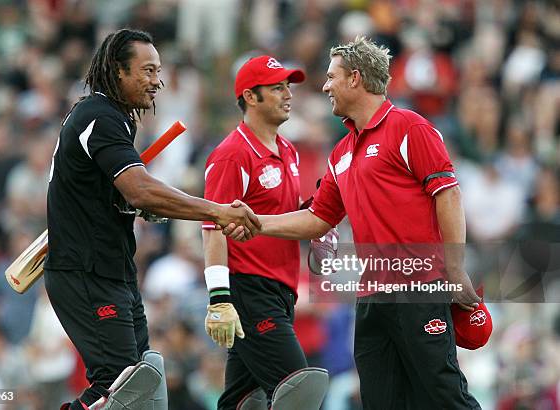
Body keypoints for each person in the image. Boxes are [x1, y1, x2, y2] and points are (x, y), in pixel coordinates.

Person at [227, 36, 483, 409]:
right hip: (371, 299)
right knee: (379, 401)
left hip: (420, 287)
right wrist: (256, 222)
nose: (325, 85)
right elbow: (317, 219)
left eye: (332, 77)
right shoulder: (342, 152)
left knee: (442, 395)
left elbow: (449, 194)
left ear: (355, 78)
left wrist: (455, 270)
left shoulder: (409, 127)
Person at [43, 29, 260, 410]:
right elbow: (140, 189)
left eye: (158, 71)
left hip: (112, 271)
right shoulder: (100, 116)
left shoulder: (114, 118)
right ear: (117, 70)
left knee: (145, 375)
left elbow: (123, 196)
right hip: (85, 272)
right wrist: (216, 209)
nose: (156, 81)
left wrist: (136, 205)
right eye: (147, 71)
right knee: (118, 385)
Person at [201, 56, 328, 410]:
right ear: (250, 97)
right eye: (276, 88)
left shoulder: (287, 150)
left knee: (242, 403)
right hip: (250, 290)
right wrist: (219, 298)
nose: (288, 94)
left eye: (288, 86)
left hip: (281, 290)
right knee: (299, 393)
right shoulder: (232, 155)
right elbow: (212, 228)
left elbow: (287, 215)